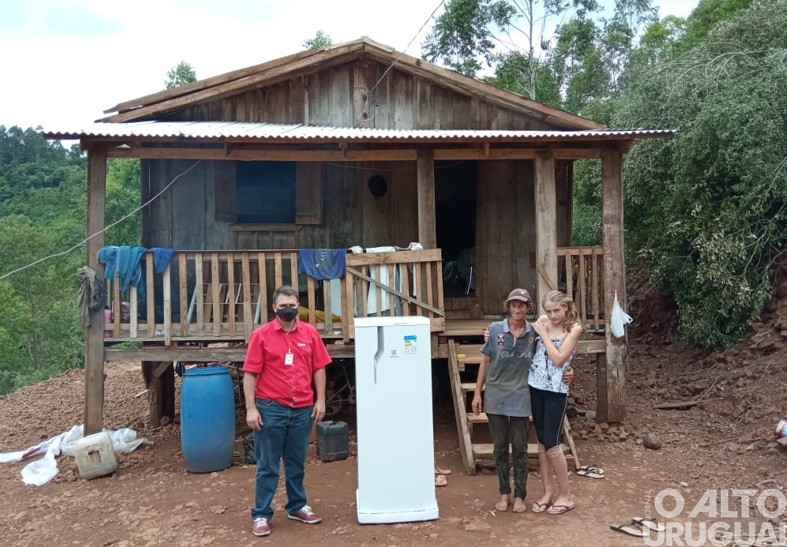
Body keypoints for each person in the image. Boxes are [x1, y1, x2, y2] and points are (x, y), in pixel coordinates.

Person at [242, 285, 332, 537]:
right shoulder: (261, 336)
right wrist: (251, 409)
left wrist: (320, 400)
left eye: (292, 305)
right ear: (274, 308)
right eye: (283, 306)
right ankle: (261, 513)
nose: (288, 310)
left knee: (296, 462)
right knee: (268, 464)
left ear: (298, 306)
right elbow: (250, 374)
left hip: (303, 407)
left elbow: (319, 368)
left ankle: (297, 506)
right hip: (271, 407)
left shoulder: (310, 334)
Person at [473, 288, 536, 513]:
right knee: (500, 448)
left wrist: (569, 371)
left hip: (521, 395)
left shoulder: (535, 333)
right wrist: (477, 392)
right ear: (508, 307)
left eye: (521, 305)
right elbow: (485, 361)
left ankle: (520, 495)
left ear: (528, 307)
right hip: (496, 394)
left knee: (519, 447)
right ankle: (504, 493)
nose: (517, 309)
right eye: (513, 305)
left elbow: (553, 350)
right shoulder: (495, 329)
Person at [528, 290, 583, 516]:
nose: (552, 316)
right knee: (541, 442)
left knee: (552, 444)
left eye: (557, 311)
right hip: (536, 386)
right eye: (548, 311)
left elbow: (559, 359)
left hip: (556, 391)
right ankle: (548, 491)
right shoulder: (542, 322)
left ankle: (566, 495)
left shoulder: (574, 328)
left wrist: (544, 334)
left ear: (566, 308)